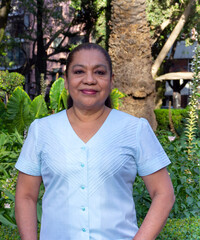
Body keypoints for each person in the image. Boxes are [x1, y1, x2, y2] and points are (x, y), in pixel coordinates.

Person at [14, 43, 175, 240]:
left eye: (99, 72)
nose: (89, 80)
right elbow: (26, 196)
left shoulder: (135, 129)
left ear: (111, 80)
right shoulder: (42, 130)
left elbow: (164, 194)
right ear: (66, 80)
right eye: (79, 71)